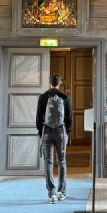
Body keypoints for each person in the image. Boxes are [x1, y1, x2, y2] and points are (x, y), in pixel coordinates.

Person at [36, 74, 72, 204]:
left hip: (47, 131)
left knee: (48, 162)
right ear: (60, 82)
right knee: (62, 161)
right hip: (60, 131)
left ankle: (51, 193)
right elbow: (69, 118)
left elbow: (39, 117)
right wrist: (67, 132)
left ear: (49, 82)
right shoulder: (65, 97)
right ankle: (62, 191)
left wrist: (41, 131)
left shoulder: (43, 97)